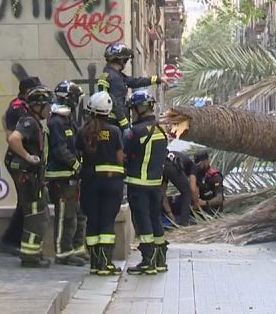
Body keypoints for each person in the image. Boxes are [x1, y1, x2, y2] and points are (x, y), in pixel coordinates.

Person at [77, 91, 124, 276]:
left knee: (93, 222)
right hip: (112, 183)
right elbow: (120, 157)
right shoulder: (114, 131)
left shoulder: (82, 131)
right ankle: (105, 264)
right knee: (107, 223)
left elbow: (79, 155)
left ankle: (95, 264)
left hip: (89, 182)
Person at [4, 85, 53, 267]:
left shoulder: (34, 122)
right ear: (37, 105)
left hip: (34, 177)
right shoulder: (29, 122)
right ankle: (30, 257)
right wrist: (27, 157)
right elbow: (13, 139)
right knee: (34, 215)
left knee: (40, 213)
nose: (48, 110)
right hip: (28, 178)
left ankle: (34, 253)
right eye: (46, 106)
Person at [123, 90, 168, 275]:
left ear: (141, 108)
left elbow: (125, 155)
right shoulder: (161, 130)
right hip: (155, 185)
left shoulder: (136, 132)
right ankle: (160, 260)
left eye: (133, 109)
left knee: (143, 223)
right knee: (155, 219)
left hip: (138, 184)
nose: (132, 113)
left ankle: (147, 260)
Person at [0, 76, 42, 255]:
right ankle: (10, 240)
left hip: (18, 160)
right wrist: (27, 156)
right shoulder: (20, 108)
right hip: (19, 161)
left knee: (24, 201)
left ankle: (12, 240)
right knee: (25, 202)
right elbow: (13, 138)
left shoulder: (16, 104)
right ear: (27, 92)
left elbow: (4, 122)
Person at [46, 81, 86, 266]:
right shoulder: (56, 122)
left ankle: (77, 248)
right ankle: (63, 253)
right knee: (65, 216)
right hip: (61, 177)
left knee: (77, 214)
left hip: (71, 177)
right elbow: (59, 150)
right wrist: (77, 165)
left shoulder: (67, 120)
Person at [96, 43, 166, 129]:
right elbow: (116, 104)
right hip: (115, 122)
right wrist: (125, 124)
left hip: (109, 121)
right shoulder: (114, 78)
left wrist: (156, 79)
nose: (125, 63)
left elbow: (134, 82)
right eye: (125, 60)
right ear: (119, 60)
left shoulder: (111, 74)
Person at [162, 150, 199, 227]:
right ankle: (185, 223)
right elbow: (192, 189)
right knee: (186, 192)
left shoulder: (181, 158)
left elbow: (163, 194)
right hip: (172, 163)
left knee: (161, 194)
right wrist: (196, 205)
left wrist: (171, 216)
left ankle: (172, 218)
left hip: (161, 164)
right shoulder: (192, 166)